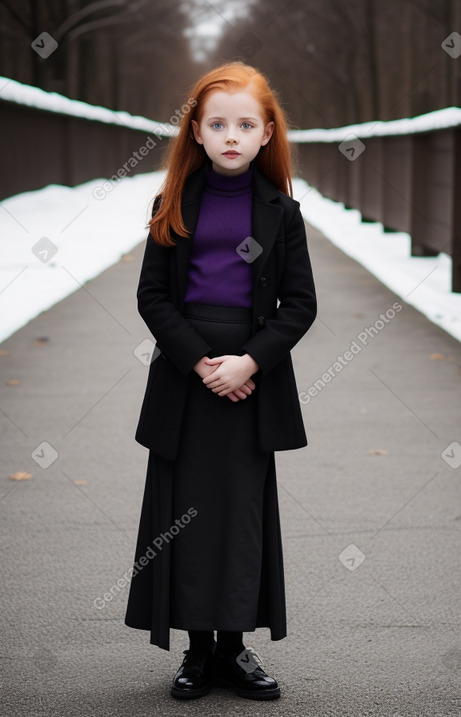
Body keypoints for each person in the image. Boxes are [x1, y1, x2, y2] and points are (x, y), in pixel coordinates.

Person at [124, 60, 317, 701]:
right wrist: (202, 361)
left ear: (266, 133)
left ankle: (234, 650)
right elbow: (153, 297)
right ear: (197, 134)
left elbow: (299, 304)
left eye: (244, 124)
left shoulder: (282, 213)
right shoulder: (172, 203)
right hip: (187, 379)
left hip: (252, 382)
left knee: (240, 515)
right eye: (217, 124)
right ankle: (196, 652)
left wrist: (249, 362)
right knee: (186, 512)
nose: (230, 135)